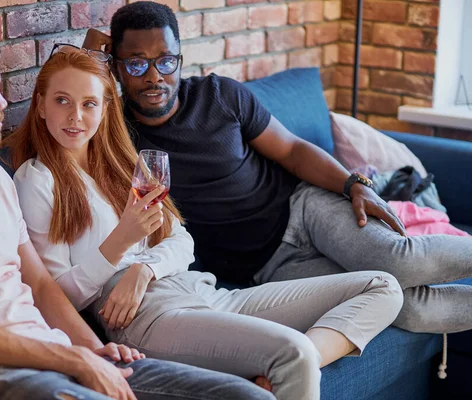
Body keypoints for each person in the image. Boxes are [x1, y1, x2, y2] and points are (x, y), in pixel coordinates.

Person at [0, 27, 278, 400]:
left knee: (248, 397)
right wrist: (74, 360)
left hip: (44, 353)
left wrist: (92, 349)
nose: (3, 102)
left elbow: (40, 284)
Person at [5, 41, 403, 400]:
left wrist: (145, 267)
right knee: (292, 352)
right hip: (146, 316)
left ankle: (274, 376)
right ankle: (285, 368)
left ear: (106, 108)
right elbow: (58, 296)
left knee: (383, 285)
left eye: (89, 103)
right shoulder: (36, 181)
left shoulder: (125, 165)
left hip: (203, 291)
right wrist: (120, 243)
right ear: (39, 105)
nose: (75, 116)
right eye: (61, 100)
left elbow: (182, 241)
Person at [82, 0, 472, 334]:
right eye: (136, 65)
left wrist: (354, 183)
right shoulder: (116, 133)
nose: (154, 77)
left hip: (304, 208)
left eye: (166, 61)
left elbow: (292, 150)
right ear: (115, 68)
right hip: (266, 269)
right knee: (408, 308)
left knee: (397, 261)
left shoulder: (220, 95)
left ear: (180, 60)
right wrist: (94, 52)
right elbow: (75, 92)